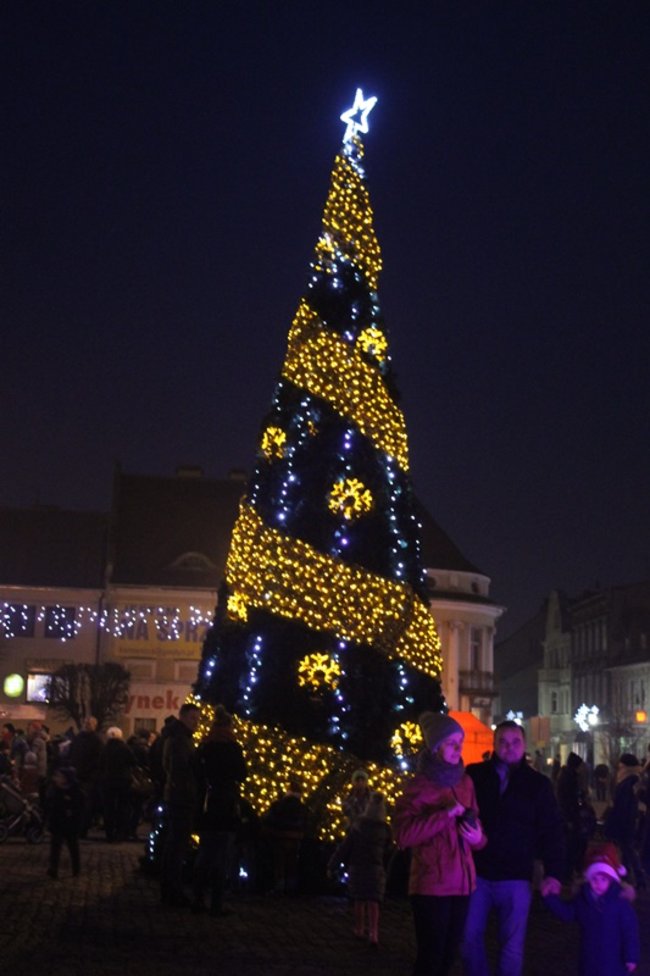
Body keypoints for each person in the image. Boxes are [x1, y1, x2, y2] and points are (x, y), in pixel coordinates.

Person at [461, 719, 565, 976]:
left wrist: (554, 872)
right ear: (495, 744)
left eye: (515, 742)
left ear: (524, 744)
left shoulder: (538, 784)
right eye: (503, 742)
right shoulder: (476, 775)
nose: (509, 747)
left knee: (512, 944)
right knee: (468, 935)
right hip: (479, 872)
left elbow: (551, 829)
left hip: (516, 874)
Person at [393, 711, 485, 976]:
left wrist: (478, 837)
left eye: (460, 743)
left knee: (448, 958)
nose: (458, 749)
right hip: (431, 886)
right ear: (435, 747)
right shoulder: (418, 786)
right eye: (451, 743)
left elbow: (478, 830)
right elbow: (403, 835)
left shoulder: (465, 782)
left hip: (464, 884)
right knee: (430, 959)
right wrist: (444, 815)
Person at [542, 841, 640, 975]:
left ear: (611, 881)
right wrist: (551, 899)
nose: (598, 884)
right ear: (588, 879)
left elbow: (630, 931)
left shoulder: (620, 904)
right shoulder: (583, 900)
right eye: (595, 879)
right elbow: (568, 913)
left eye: (603, 880)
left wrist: (631, 957)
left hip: (615, 962)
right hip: (589, 960)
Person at [192, 705, 247, 916]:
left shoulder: (205, 745)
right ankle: (216, 903)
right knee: (222, 856)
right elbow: (242, 773)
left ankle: (197, 898)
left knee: (205, 853)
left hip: (207, 803)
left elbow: (196, 770)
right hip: (226, 805)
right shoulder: (233, 747)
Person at [328, 791, 394, 947]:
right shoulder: (385, 829)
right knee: (373, 901)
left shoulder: (358, 826)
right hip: (375, 868)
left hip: (358, 866)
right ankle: (374, 933)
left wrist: (332, 865)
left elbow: (345, 848)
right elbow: (389, 849)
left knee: (359, 899)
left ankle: (359, 929)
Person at [160, 702, 201, 907]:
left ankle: (170, 888)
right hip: (181, 798)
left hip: (177, 796)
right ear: (183, 717)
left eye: (198, 719)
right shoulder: (179, 740)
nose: (196, 723)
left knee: (174, 845)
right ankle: (172, 890)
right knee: (176, 846)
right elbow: (178, 769)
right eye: (193, 718)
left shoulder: (179, 737)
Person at [604, 754, 646, 888]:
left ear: (626, 765)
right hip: (624, 817)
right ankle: (628, 875)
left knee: (628, 848)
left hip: (626, 818)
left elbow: (627, 801)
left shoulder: (632, 779)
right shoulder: (628, 778)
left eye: (621, 764)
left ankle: (638, 877)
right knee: (626, 848)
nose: (619, 766)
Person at [262, 776, 309, 894]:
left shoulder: (279, 804)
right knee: (292, 863)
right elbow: (307, 822)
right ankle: (291, 887)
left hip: (280, 835)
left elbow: (270, 818)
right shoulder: (302, 807)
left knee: (280, 862)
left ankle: (280, 886)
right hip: (296, 836)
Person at [557, 752, 595, 880]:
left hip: (571, 816)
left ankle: (570, 871)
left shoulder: (566, 776)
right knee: (574, 845)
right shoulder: (570, 778)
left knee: (573, 845)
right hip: (572, 816)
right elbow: (570, 800)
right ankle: (570, 872)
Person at [46, 766, 84, 880]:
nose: (56, 778)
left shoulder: (76, 792)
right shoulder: (55, 790)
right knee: (55, 847)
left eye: (59, 776)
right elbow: (49, 805)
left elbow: (79, 808)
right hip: (57, 823)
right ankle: (53, 869)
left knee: (73, 846)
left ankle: (76, 868)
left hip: (70, 824)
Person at [68, 716, 103, 837]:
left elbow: (98, 760)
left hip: (88, 777)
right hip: (77, 775)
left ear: (94, 725)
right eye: (86, 723)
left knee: (85, 804)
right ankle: (75, 827)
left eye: (90, 723)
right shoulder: (78, 738)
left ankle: (82, 829)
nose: (87, 725)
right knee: (76, 803)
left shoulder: (96, 740)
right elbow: (72, 754)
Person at [99, 726, 136, 842]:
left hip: (107, 781)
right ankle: (120, 833)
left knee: (108, 808)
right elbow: (133, 762)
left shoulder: (104, 748)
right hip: (123, 781)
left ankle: (109, 833)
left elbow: (100, 764)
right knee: (122, 807)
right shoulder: (125, 748)